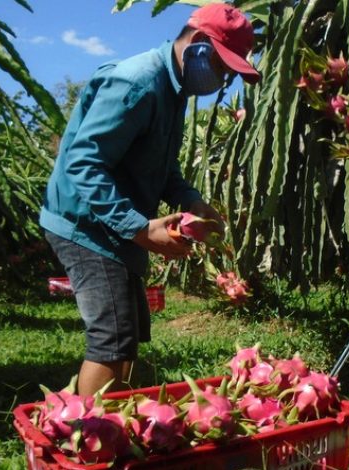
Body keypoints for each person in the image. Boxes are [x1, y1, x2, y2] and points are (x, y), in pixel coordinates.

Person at [40, 3, 260, 397]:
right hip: (85, 224)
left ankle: (111, 427)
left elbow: (162, 169)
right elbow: (83, 164)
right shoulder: (137, 84)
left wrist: (191, 200)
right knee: (111, 339)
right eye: (223, 66)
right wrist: (140, 229)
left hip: (113, 222)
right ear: (197, 43)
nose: (223, 79)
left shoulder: (172, 92)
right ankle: (83, 440)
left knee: (129, 334)